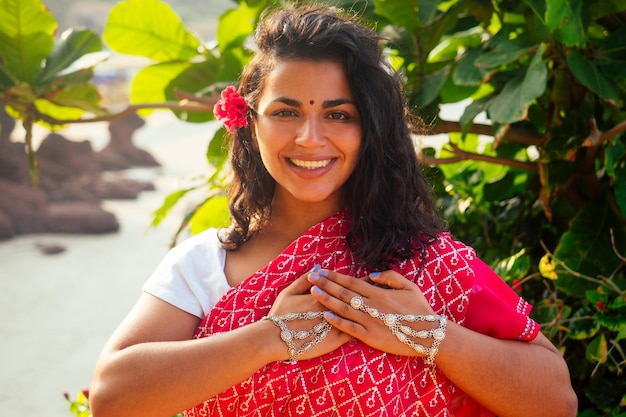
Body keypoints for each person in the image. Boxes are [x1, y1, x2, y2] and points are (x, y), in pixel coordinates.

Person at [89, 5, 577, 417]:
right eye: (286, 112)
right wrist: (267, 339)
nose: (310, 138)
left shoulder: (427, 264)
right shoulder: (204, 266)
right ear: (249, 122)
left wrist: (428, 334)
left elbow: (557, 401)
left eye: (339, 115)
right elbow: (111, 398)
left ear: (371, 131)